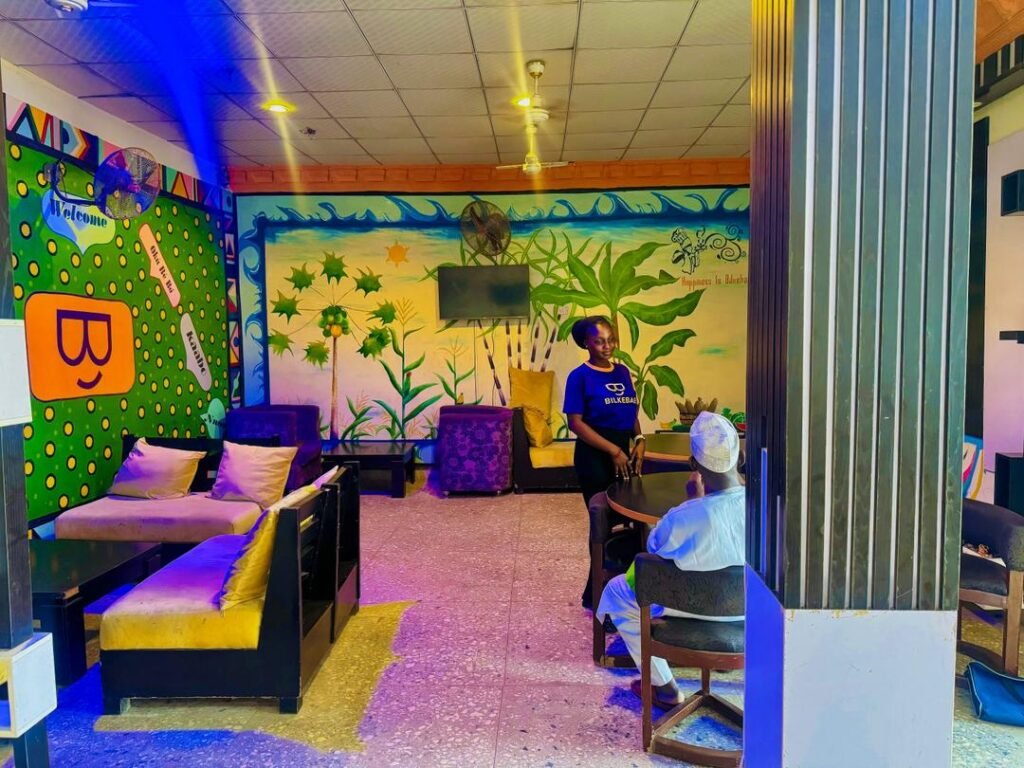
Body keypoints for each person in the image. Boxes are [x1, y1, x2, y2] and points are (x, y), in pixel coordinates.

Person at [597, 411, 745, 708]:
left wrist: (692, 502)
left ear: (693, 465)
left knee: (616, 591)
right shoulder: (766, 508)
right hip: (749, 611)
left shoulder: (683, 516)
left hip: (688, 609)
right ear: (740, 458)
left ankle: (664, 687)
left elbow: (655, 547)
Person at [563, 316, 646, 609]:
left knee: (632, 520)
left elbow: (630, 410)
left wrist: (639, 439)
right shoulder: (579, 376)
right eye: (599, 341)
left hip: (623, 453)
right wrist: (612, 450)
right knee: (603, 523)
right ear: (586, 343)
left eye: (611, 340)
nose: (607, 346)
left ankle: (626, 590)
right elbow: (575, 423)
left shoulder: (622, 372)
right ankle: (596, 595)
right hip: (594, 457)